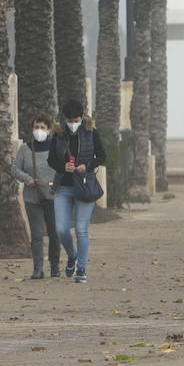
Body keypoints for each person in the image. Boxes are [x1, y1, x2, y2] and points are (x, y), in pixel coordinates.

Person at [47, 98, 106, 283]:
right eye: (69, 121)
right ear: (64, 119)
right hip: (63, 186)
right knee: (62, 229)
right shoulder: (58, 134)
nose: (73, 124)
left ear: (82, 117)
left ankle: (81, 268)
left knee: (81, 229)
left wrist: (86, 166)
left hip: (84, 186)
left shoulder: (91, 133)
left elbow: (102, 156)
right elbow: (50, 160)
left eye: (76, 120)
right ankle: (72, 255)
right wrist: (63, 166)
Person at [9, 112, 62, 280]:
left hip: (54, 198)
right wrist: (27, 179)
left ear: (49, 130)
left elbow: (65, 166)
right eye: (36, 127)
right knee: (37, 234)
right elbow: (15, 169)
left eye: (42, 127)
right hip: (33, 198)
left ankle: (54, 266)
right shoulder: (25, 149)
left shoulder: (56, 147)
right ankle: (38, 268)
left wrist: (58, 182)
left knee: (54, 233)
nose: (39, 130)